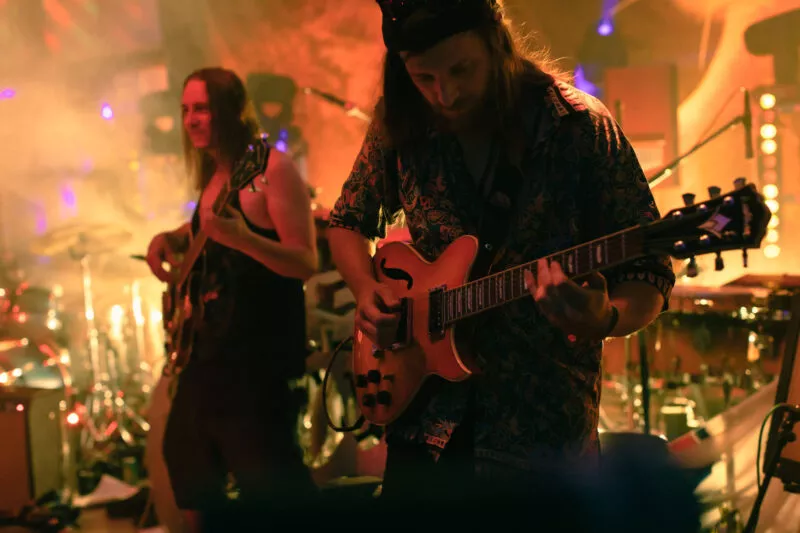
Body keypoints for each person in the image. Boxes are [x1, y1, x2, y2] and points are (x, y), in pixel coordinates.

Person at [327, 0, 677, 511]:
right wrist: (367, 289)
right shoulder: (402, 124)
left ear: (496, 42)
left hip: (542, 443)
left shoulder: (577, 128)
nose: (443, 93)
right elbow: (346, 222)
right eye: (423, 77)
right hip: (424, 435)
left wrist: (605, 316)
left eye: (460, 69)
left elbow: (649, 267)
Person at [145, 67, 318, 532]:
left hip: (256, 362)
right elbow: (210, 232)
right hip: (209, 357)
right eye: (185, 110)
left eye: (201, 108)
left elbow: (305, 260)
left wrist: (244, 239)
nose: (191, 120)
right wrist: (173, 236)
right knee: (185, 463)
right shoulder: (216, 174)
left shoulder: (272, 170)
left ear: (229, 110)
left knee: (274, 489)